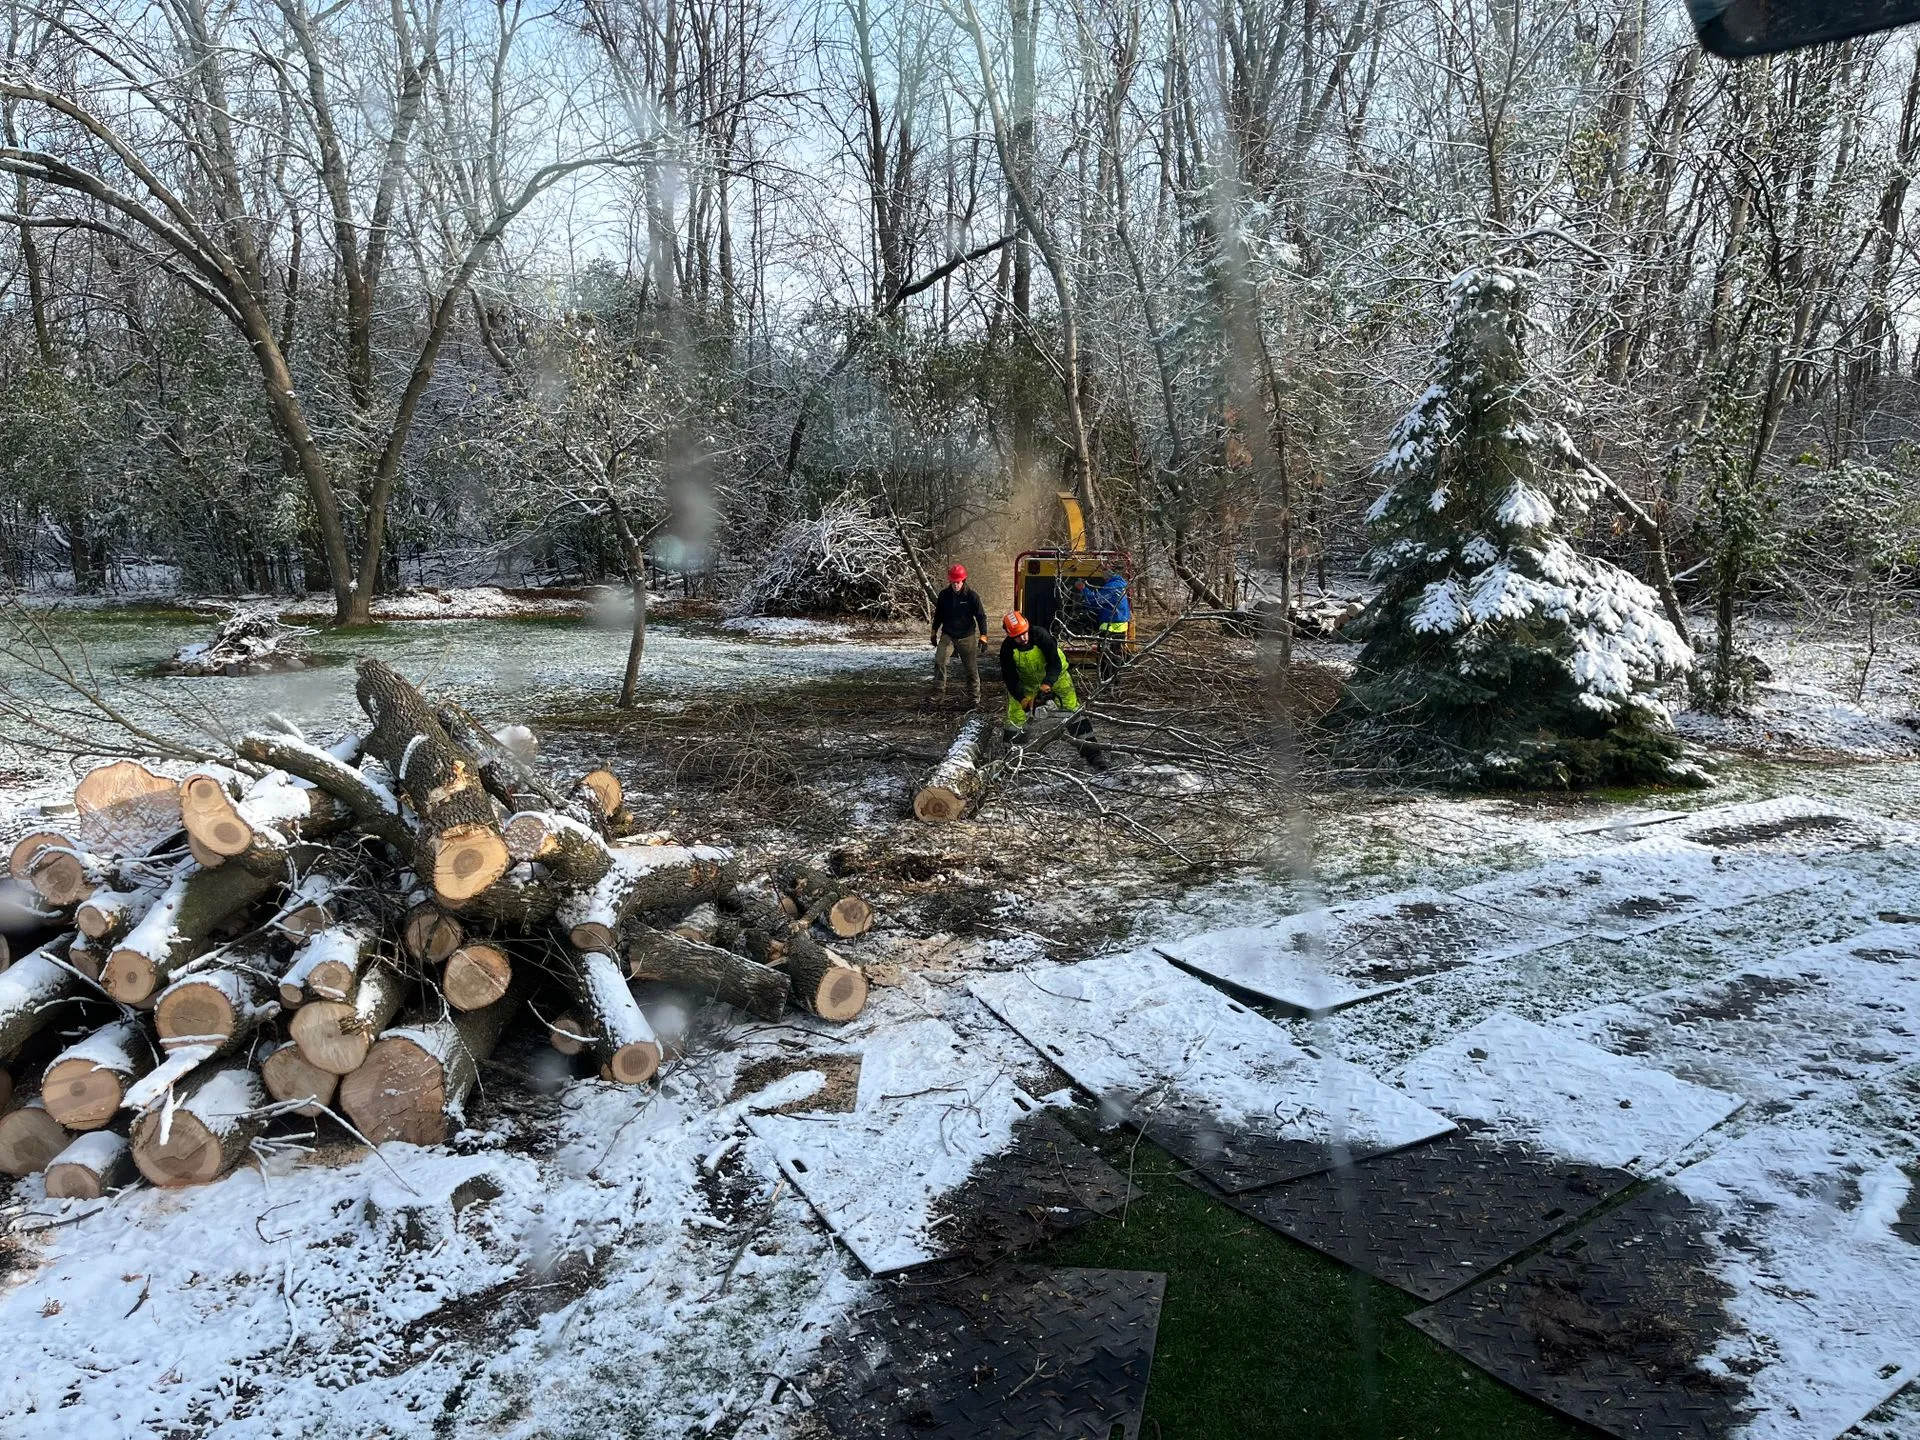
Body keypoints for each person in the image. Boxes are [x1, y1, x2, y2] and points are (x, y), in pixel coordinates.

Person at [998, 611, 1109, 769]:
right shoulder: (1007, 649)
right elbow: (1010, 677)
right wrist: (1022, 699)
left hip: (1058, 679)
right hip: (1027, 683)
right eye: (1017, 636)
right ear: (1009, 635)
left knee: (1073, 713)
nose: (1022, 638)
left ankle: (1094, 755)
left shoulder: (1040, 636)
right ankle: (1012, 759)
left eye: (1023, 634)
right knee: (1014, 718)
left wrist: (1046, 685)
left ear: (1027, 627)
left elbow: (1055, 663)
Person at [930, 563, 988, 704]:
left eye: (958, 582)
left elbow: (981, 616)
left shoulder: (972, 597)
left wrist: (983, 635)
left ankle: (974, 696)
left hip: (966, 635)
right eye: (953, 582)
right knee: (939, 661)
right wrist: (933, 631)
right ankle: (938, 693)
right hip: (948, 634)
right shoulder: (944, 596)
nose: (955, 585)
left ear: (963, 581)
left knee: (970, 667)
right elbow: (938, 615)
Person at [1076, 572, 1131, 682]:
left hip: (1109, 627)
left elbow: (1095, 602)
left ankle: (1105, 681)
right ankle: (1115, 679)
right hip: (1120, 626)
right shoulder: (1121, 584)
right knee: (1116, 654)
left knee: (1105, 656)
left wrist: (1083, 589)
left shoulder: (1111, 587)